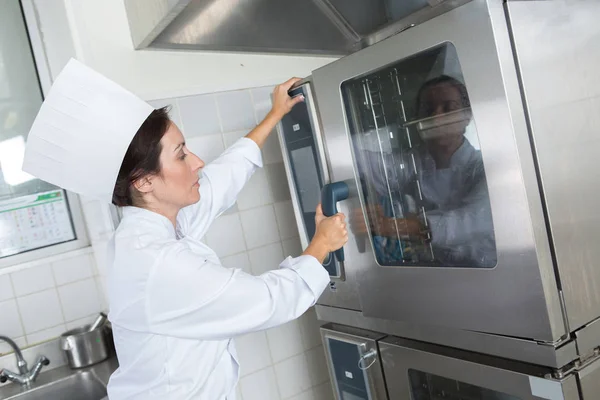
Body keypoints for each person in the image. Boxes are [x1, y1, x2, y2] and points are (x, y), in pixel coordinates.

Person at [22, 59, 348, 399]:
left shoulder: (151, 225)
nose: (197, 162)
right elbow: (267, 301)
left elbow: (219, 180)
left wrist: (275, 114)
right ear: (145, 180)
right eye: (181, 155)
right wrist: (322, 244)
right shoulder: (158, 263)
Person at [352, 75, 496, 267]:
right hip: (439, 272)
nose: (436, 117)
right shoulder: (415, 162)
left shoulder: (484, 166)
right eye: (428, 109)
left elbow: (472, 219)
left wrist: (389, 226)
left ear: (466, 116)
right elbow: (367, 163)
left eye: (448, 108)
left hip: (487, 275)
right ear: (417, 119)